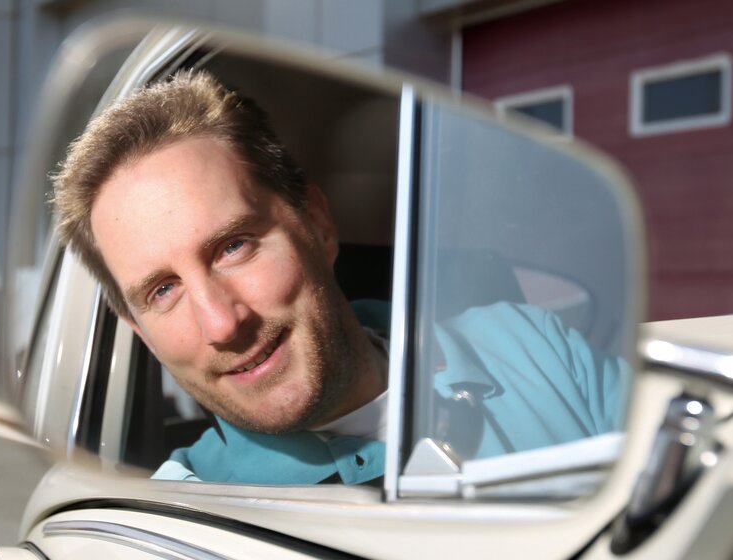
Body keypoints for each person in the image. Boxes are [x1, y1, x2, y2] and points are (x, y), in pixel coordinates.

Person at [54, 70, 626, 485]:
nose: (222, 323)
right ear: (139, 330)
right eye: (163, 290)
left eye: (233, 246)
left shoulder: (532, 345)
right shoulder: (180, 513)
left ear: (319, 226)